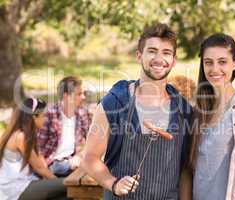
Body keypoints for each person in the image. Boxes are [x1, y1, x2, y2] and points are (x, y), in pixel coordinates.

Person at [81, 23, 193, 200]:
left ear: (173, 60)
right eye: (152, 51)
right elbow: (89, 157)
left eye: (166, 53)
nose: (159, 58)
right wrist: (114, 183)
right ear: (139, 55)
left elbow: (186, 169)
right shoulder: (115, 103)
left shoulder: (183, 110)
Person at [190, 33, 235, 200]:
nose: (215, 69)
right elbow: (190, 168)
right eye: (208, 62)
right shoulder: (199, 110)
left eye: (222, 62)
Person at [0, 97, 68, 200]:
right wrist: (58, 182)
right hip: (16, 189)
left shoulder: (25, 135)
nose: (46, 119)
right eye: (44, 116)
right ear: (33, 117)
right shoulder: (21, 137)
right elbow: (40, 169)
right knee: (70, 185)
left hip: (23, 184)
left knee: (65, 195)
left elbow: (41, 164)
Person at [37, 76, 91, 177]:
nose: (83, 97)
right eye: (79, 94)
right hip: (51, 164)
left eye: (84, 93)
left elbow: (91, 141)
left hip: (72, 161)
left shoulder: (82, 113)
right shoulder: (49, 114)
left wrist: (79, 155)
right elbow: (38, 148)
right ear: (66, 96)